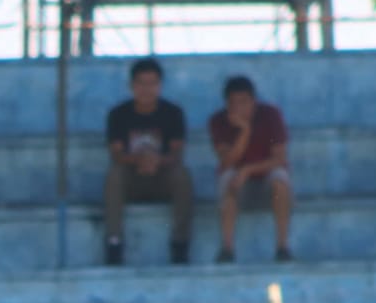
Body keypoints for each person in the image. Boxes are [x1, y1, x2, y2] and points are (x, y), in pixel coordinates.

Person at [103, 57, 192, 267]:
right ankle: (114, 243)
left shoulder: (173, 113)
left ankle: (180, 243)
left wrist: (156, 161)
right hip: (132, 178)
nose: (147, 89)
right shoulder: (118, 115)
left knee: (182, 176)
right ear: (132, 86)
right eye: (141, 83)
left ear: (160, 85)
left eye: (152, 83)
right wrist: (140, 160)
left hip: (162, 176)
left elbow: (176, 153)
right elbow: (117, 154)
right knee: (114, 176)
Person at [206, 75, 292, 263]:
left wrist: (249, 170)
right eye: (233, 103)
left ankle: (282, 247)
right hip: (238, 183)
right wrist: (244, 131)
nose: (239, 108)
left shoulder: (270, 115)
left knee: (281, 181)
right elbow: (228, 161)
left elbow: (279, 158)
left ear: (253, 101)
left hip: (265, 177)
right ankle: (227, 248)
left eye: (244, 102)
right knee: (227, 180)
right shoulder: (218, 121)